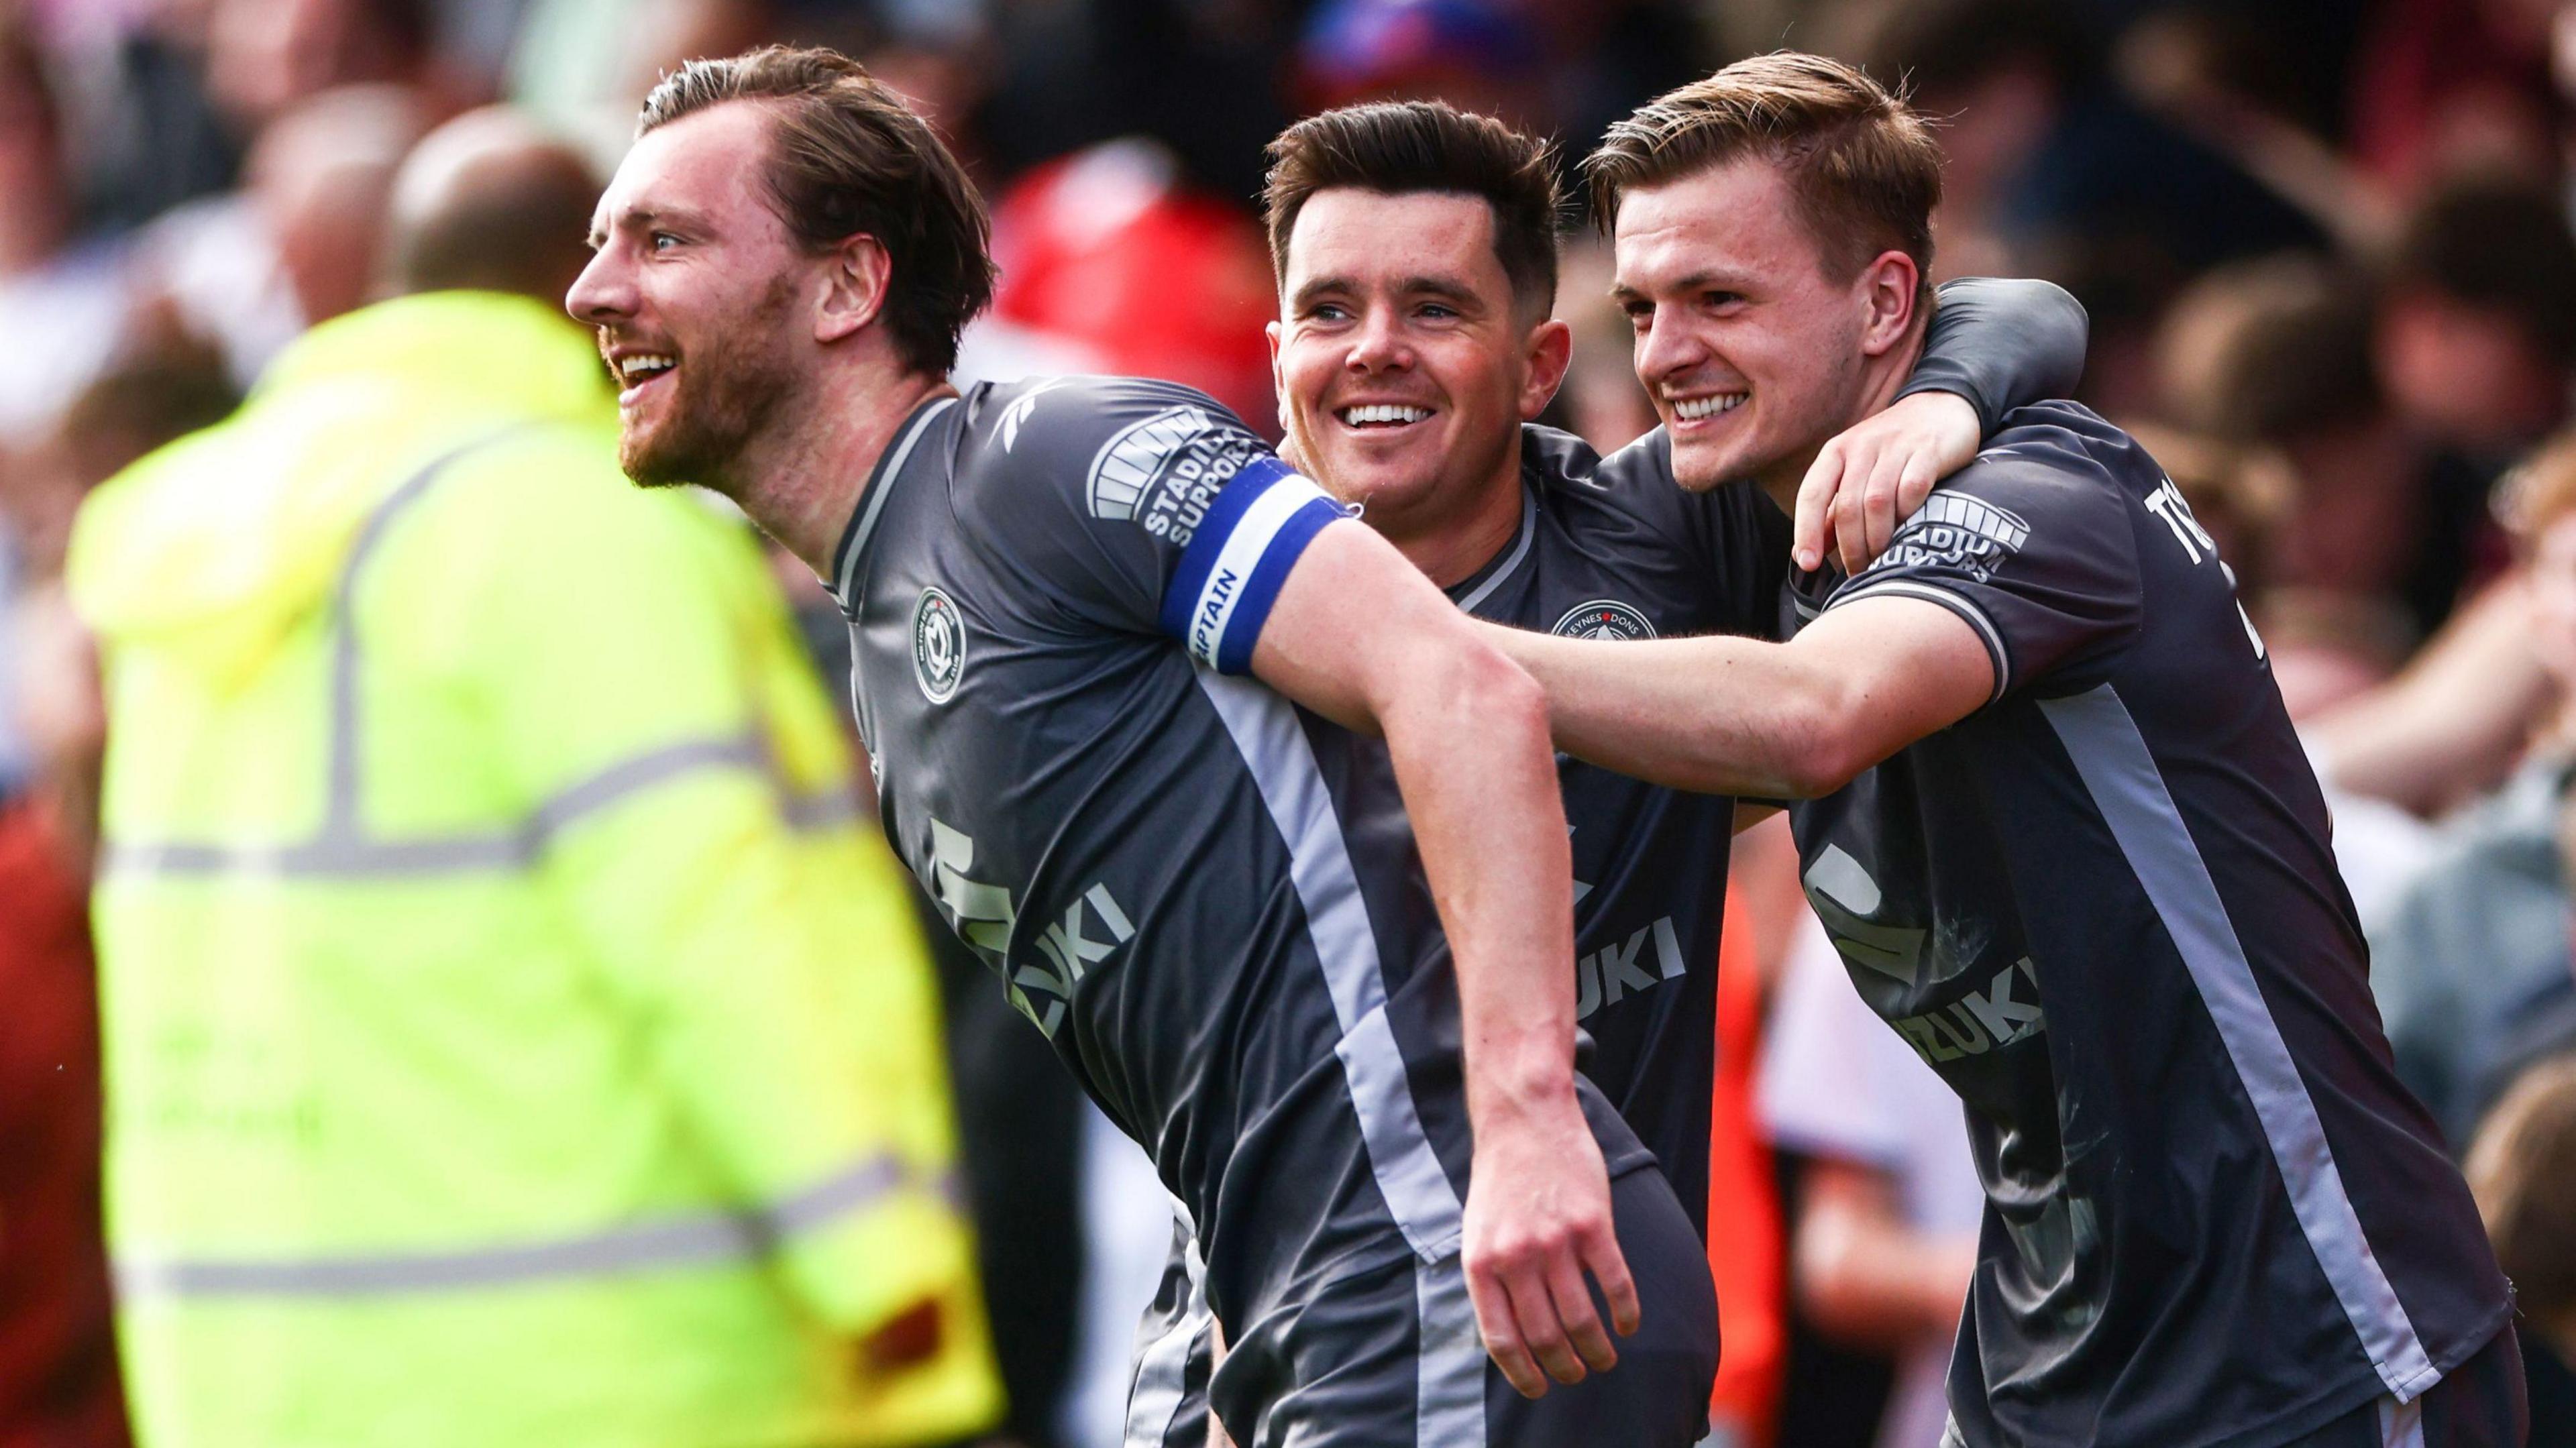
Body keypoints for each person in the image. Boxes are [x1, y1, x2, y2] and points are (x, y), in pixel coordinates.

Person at [565, 46, 1705, 1447]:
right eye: (602, 243)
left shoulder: (1040, 456)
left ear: (848, 286)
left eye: (664, 240)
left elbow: (1461, 686)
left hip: (1447, 1263)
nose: (595, 290)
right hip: (1310, 1309)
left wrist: (1526, 1119)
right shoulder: (883, 626)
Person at [1473, 53, 2524, 1447]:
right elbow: (2018, 309)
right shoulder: (1756, 505)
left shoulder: (2040, 489)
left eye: (1722, 299)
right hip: (2047, 1369)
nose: (1667, 354)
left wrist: (1426, 669)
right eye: (1644, 309)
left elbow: (1808, 718)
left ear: (1886, 302)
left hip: (2308, 1342)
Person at [1123, 97, 2087, 1448]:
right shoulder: (1178, 645)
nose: (1375, 351)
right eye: (1330, 311)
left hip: (1596, 1383)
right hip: (1278, 1378)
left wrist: (1941, 401)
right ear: (1276, 353)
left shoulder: (1663, 541)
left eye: (1435, 309)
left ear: (1538, 366)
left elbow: (2022, 311)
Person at [67, 107, 998, 1448]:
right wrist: (887, 1273)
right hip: (620, 1381)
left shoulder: (194, 551)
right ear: (589, 294)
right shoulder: (565, 528)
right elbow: (708, 926)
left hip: (255, 1383)